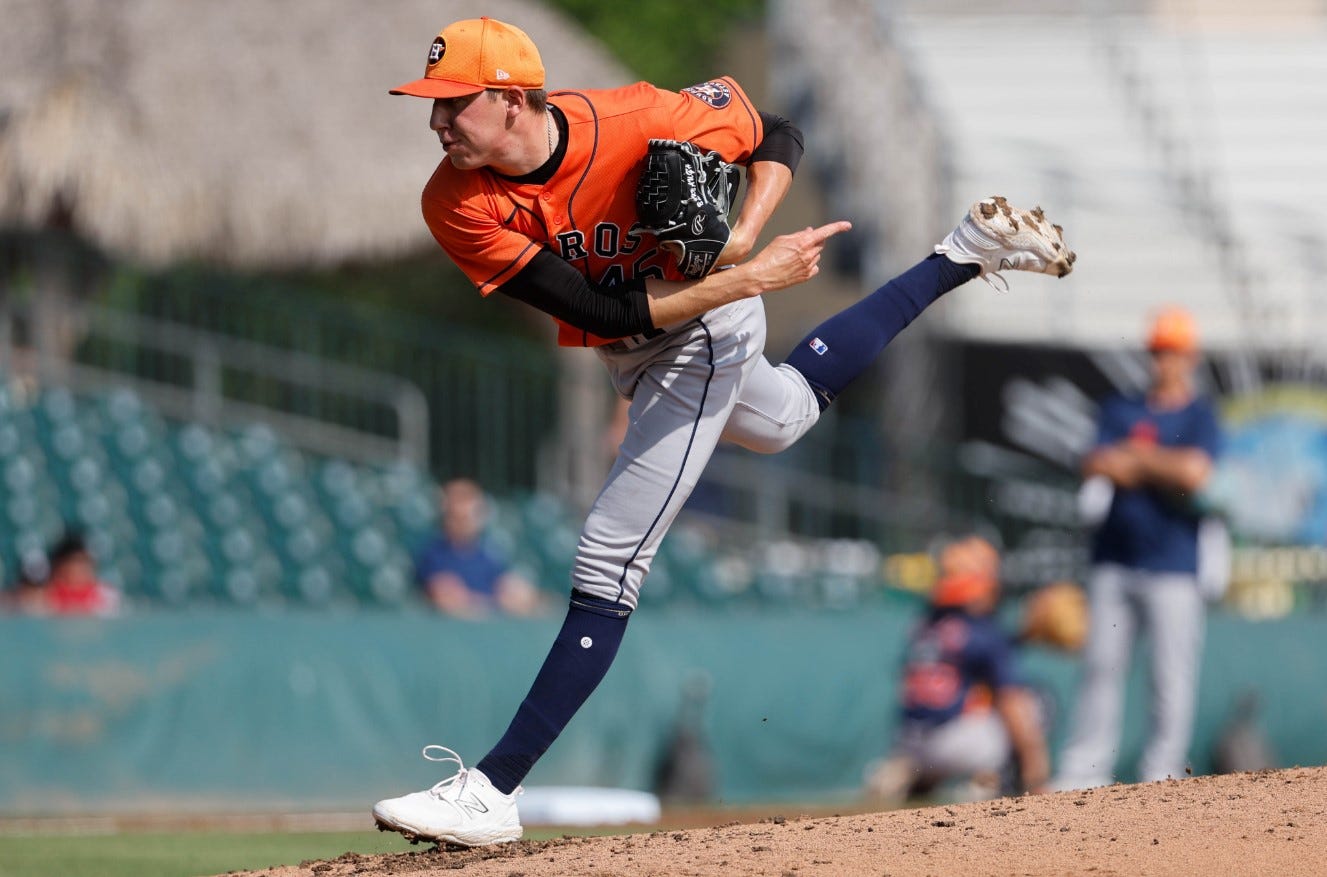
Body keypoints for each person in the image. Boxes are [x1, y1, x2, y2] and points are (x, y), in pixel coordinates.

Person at [374, 16, 1075, 846]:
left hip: (704, 333)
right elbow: (596, 309)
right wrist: (747, 274)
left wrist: (745, 238)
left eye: (453, 104)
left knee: (608, 554)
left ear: (510, 97)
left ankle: (490, 789)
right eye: (434, 106)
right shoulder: (453, 200)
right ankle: (960, 252)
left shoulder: (630, 119)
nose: (436, 123)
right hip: (641, 340)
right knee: (780, 419)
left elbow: (777, 132)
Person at [1052, 306, 1222, 790]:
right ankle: (1083, 774)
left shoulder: (1199, 415)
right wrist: (1160, 465)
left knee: (1170, 679)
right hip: (1116, 559)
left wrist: (1139, 458)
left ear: (1190, 357)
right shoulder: (1122, 408)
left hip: (1175, 563)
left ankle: (1161, 774)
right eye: (1159, 351)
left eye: (1174, 352)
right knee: (1101, 669)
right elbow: (1098, 463)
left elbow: (1196, 473)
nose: (1165, 361)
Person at [864, 537, 1049, 805]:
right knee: (1034, 701)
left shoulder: (925, 623)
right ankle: (989, 782)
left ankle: (915, 777)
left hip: (908, 741)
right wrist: (1038, 773)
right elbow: (1010, 696)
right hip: (959, 747)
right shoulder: (982, 628)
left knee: (974, 694)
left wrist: (1026, 635)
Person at [415, 478, 542, 618]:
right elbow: (447, 599)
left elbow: (514, 594)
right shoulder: (434, 556)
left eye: (468, 517)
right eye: (456, 517)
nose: (463, 524)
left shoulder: (489, 556)